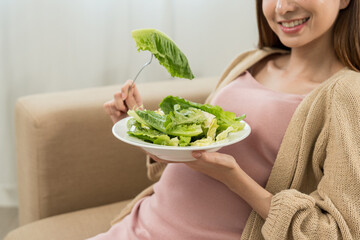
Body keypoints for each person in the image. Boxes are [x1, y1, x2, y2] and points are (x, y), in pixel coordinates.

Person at [90, 0, 360, 239]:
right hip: (140, 224)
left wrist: (233, 178)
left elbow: (338, 232)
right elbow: (193, 154)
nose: (282, 7)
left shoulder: (347, 93)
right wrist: (144, 126)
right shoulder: (250, 61)